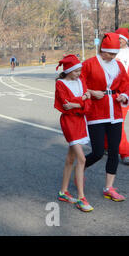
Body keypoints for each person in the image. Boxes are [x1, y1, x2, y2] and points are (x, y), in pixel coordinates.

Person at [80, 32, 129, 202]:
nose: (113, 57)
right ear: (103, 50)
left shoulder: (119, 66)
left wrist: (124, 96)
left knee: (114, 151)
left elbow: (126, 85)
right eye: (110, 53)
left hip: (114, 112)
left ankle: (109, 187)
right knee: (98, 152)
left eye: (115, 54)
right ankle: (80, 168)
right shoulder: (89, 64)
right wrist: (91, 92)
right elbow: (80, 84)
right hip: (96, 112)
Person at [54, 55, 93, 212]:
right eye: (76, 71)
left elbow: (87, 105)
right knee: (81, 159)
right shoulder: (60, 83)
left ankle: (63, 192)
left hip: (80, 121)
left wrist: (78, 102)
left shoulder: (81, 80)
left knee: (70, 159)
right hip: (69, 122)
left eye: (79, 70)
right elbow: (65, 105)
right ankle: (81, 198)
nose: (79, 73)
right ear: (68, 71)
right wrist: (83, 99)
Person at [114, 27, 129, 164]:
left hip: (125, 91)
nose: (118, 41)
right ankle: (108, 146)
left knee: (119, 122)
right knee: (112, 120)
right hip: (112, 91)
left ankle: (124, 152)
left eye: (121, 39)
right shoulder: (111, 51)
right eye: (116, 38)